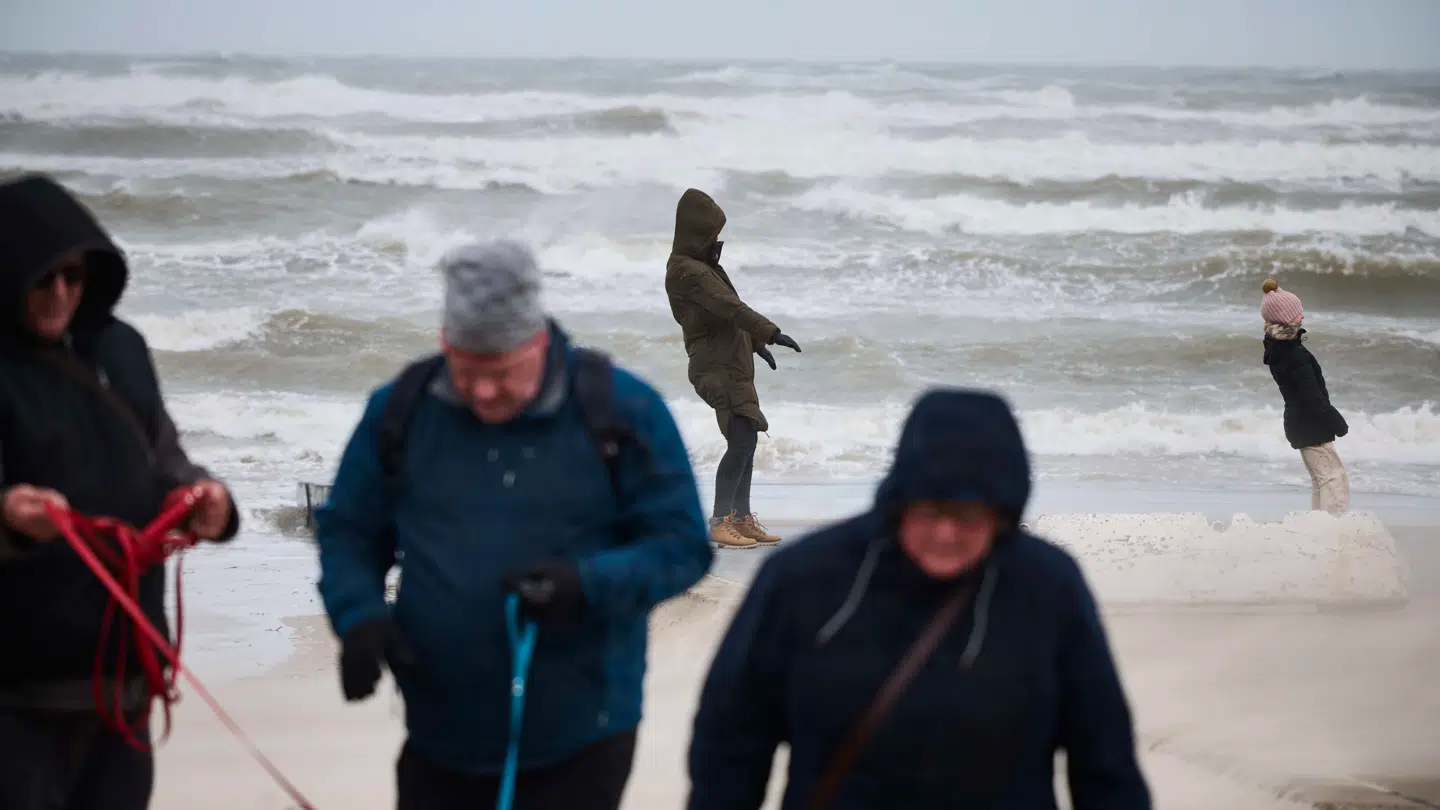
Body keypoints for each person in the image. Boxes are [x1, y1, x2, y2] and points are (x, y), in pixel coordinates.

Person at [315, 239, 714, 810]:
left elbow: (682, 549)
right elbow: (349, 529)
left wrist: (584, 585)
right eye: (464, 367)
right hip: (439, 735)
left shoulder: (622, 410)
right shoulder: (400, 409)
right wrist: (357, 616)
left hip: (581, 738)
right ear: (443, 342)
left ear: (539, 340)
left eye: (501, 371)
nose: (481, 390)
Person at [686, 388, 1152, 810]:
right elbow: (731, 741)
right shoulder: (805, 577)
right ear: (898, 500)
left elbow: (1104, 756)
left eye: (968, 515)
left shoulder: (1048, 586)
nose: (945, 533)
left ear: (1004, 511)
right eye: (928, 510)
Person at [0, 173, 240, 810]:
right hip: (19, 696)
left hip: (124, 679)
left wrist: (203, 499)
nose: (59, 295)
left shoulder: (120, 349)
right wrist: (10, 519)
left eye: (74, 278)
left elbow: (163, 457)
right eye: (41, 279)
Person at [664, 188, 801, 549]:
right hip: (716, 366)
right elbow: (728, 306)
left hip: (731, 362)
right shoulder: (688, 272)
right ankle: (720, 521)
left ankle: (740, 518)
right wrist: (771, 333)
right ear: (697, 231)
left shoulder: (703, 266)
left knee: (746, 438)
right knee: (741, 439)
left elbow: (726, 313)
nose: (716, 238)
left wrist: (756, 345)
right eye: (711, 231)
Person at [1261, 278, 1350, 515]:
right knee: (1334, 479)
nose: (1302, 316)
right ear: (1287, 319)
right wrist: (1337, 422)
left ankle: (1318, 531)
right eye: (1297, 313)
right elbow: (1312, 398)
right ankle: (1334, 534)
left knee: (1322, 481)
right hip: (1310, 424)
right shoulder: (1294, 354)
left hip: (1301, 423)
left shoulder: (1278, 349)